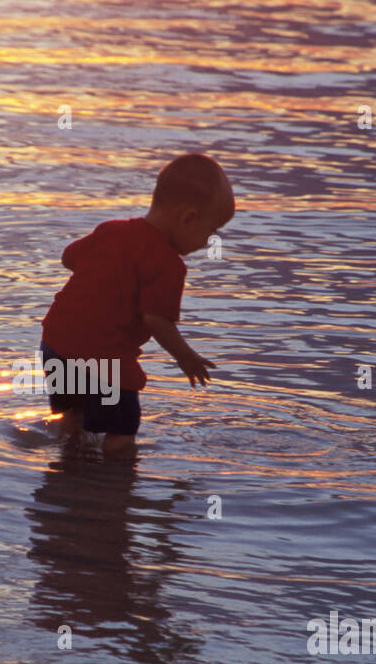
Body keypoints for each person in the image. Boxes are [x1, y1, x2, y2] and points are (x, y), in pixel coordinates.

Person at [40, 152, 235, 455]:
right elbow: (156, 320)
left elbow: (69, 258)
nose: (207, 242)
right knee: (121, 430)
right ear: (188, 218)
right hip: (103, 362)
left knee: (73, 414)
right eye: (210, 232)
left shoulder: (111, 230)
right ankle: (116, 490)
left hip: (55, 345)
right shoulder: (168, 265)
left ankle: (68, 473)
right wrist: (187, 357)